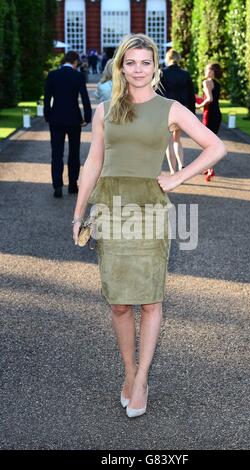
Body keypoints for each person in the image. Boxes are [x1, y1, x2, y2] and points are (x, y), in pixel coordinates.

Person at [72, 34, 226, 418]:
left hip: (150, 209)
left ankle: (142, 379)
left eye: (145, 62)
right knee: (120, 303)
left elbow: (216, 147)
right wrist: (78, 213)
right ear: (121, 67)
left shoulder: (171, 108)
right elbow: (92, 164)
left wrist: (177, 179)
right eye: (131, 62)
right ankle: (128, 372)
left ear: (154, 67)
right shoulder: (105, 109)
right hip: (109, 206)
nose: (138, 69)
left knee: (151, 298)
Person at [44, 50, 92, 198]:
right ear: (75, 62)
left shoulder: (52, 75)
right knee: (74, 153)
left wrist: (47, 115)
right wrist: (87, 117)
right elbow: (84, 98)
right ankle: (72, 185)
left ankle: (57, 186)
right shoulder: (78, 76)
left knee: (56, 154)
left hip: (56, 118)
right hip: (73, 118)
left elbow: (47, 98)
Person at [157, 49, 196, 173]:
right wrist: (192, 114)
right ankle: (181, 165)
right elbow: (191, 96)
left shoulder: (162, 73)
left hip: (166, 111)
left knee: (168, 142)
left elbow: (157, 94)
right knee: (177, 139)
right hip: (182, 110)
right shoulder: (185, 74)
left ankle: (173, 171)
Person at [196, 63, 222, 182]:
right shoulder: (217, 84)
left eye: (207, 69)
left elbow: (209, 99)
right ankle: (208, 167)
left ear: (212, 71)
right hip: (217, 114)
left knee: (207, 143)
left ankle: (210, 168)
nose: (205, 71)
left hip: (209, 114)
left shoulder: (206, 82)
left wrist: (198, 105)